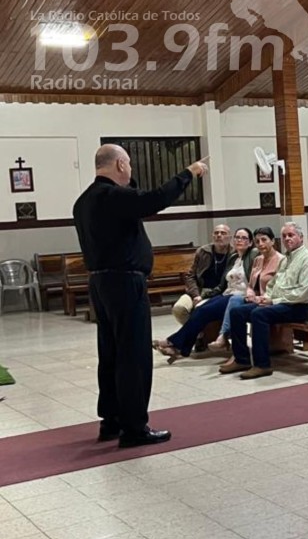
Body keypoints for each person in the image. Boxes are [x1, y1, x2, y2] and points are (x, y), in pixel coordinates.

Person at [73, 144, 208, 447]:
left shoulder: (84, 201)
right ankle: (134, 428)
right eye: (130, 165)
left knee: (111, 353)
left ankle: (111, 421)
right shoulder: (112, 196)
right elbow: (154, 199)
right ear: (121, 165)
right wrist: (189, 173)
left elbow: (133, 198)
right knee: (133, 355)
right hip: (125, 282)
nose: (131, 169)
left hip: (100, 283)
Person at [221, 222, 308, 379]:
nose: (287, 239)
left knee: (259, 314)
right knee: (237, 312)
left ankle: (262, 365)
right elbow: (274, 284)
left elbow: (303, 293)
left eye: (291, 235)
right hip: (280, 303)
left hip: (298, 307)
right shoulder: (286, 259)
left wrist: (273, 301)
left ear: (301, 237)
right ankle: (241, 359)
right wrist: (265, 297)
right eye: (284, 236)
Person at [152, 227, 258, 360]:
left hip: (238, 296)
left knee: (203, 311)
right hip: (216, 292)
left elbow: (258, 265)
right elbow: (218, 284)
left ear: (250, 242)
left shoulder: (252, 255)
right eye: (238, 237)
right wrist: (200, 295)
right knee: (199, 309)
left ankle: (172, 342)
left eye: (244, 238)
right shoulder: (232, 257)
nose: (239, 240)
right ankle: (179, 347)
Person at [210, 227, 284, 350]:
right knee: (235, 303)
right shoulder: (258, 260)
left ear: (272, 241)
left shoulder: (281, 260)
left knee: (242, 312)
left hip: (271, 300)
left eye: (264, 240)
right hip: (257, 298)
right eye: (257, 241)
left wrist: (264, 298)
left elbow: (280, 286)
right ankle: (235, 349)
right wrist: (250, 292)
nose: (260, 244)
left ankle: (227, 339)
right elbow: (251, 283)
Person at [172, 224, 231, 325]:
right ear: (212, 236)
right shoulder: (203, 251)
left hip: (220, 293)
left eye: (223, 233)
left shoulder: (234, 253)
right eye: (216, 233)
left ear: (229, 237)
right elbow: (190, 276)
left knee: (203, 309)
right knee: (179, 309)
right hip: (199, 290)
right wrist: (196, 295)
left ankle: (195, 331)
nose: (219, 235)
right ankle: (197, 332)